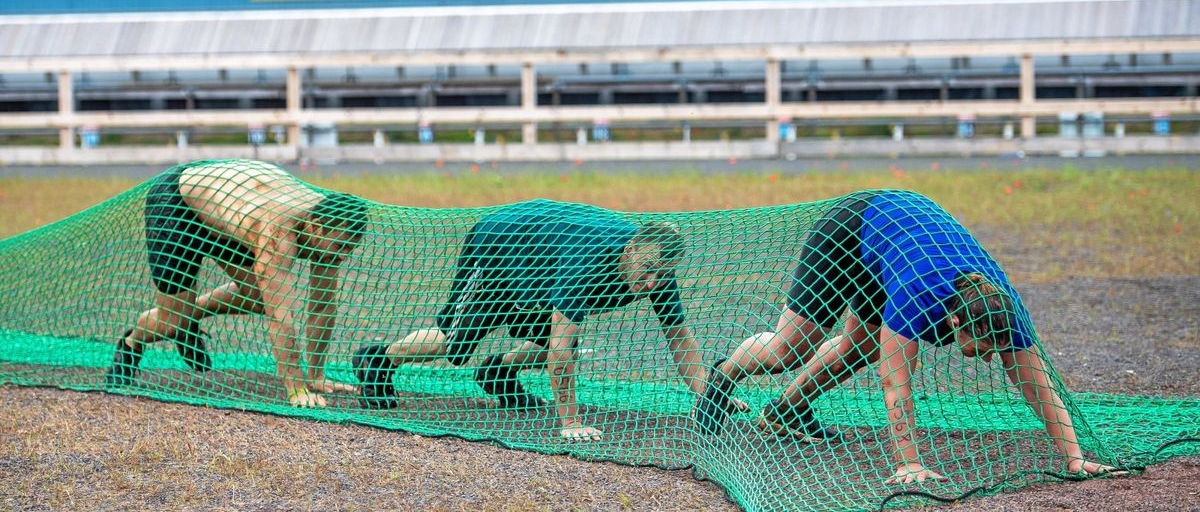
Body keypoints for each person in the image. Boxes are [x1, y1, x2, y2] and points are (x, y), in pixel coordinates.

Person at [695, 189, 1123, 484]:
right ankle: (723, 377)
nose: (992, 360)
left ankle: (787, 409)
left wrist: (1074, 456)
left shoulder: (1001, 306)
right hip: (851, 231)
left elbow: (1037, 386)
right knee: (790, 349)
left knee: (858, 347)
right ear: (954, 323)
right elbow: (895, 381)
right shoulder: (917, 296)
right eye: (984, 350)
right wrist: (909, 463)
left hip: (900, 240)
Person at [352, 199, 716, 442]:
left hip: (544, 259)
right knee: (455, 345)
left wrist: (710, 394)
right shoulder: (587, 261)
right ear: (631, 249)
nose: (652, 282)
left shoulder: (659, 273)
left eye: (661, 273)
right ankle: (378, 360)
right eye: (647, 268)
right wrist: (570, 421)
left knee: (557, 335)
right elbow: (561, 348)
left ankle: (498, 372)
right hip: (500, 244)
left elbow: (680, 339)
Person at [105, 159, 370, 408]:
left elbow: (322, 306)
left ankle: (189, 321)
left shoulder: (333, 227)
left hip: (228, 208)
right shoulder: (279, 234)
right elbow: (281, 317)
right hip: (178, 203)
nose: (343, 255)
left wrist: (315, 376)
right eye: (340, 246)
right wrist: (298, 390)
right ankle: (132, 343)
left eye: (349, 248)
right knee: (173, 321)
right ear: (314, 227)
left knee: (257, 299)